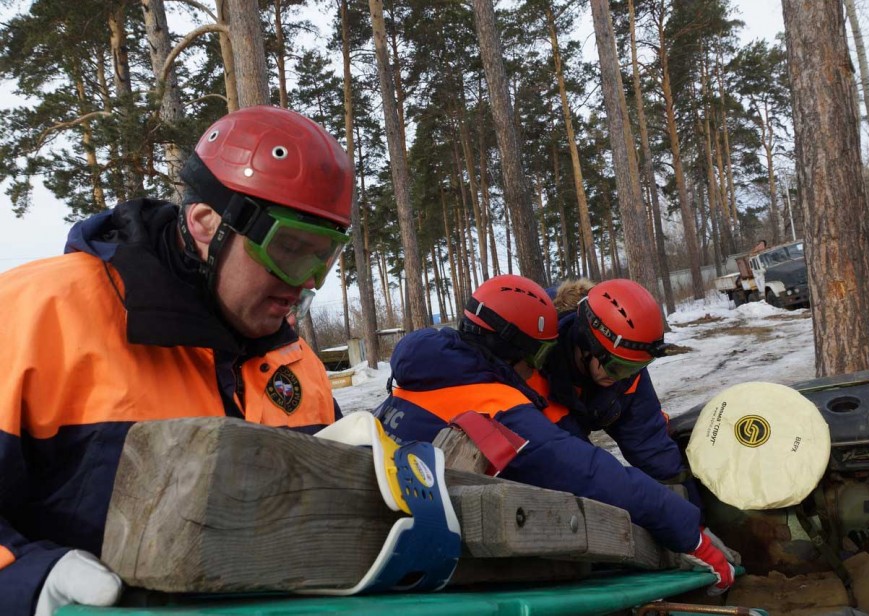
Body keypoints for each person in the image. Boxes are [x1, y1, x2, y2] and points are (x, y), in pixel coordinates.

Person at [0, 106, 354, 615]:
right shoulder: (35, 316)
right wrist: (27, 579)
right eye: (291, 249)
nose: (308, 281)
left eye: (325, 255)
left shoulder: (296, 363)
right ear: (207, 223)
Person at [375, 275, 734, 594]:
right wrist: (690, 535)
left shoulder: (434, 365)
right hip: (413, 536)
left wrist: (692, 517)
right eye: (537, 354)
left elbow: (648, 447)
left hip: (396, 508)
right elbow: (584, 471)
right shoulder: (498, 402)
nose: (537, 365)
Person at [532, 277, 735, 593]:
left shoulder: (625, 364)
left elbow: (654, 450)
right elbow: (582, 471)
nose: (620, 379)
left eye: (633, 369)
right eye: (617, 368)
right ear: (586, 344)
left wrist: (696, 526)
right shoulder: (533, 364)